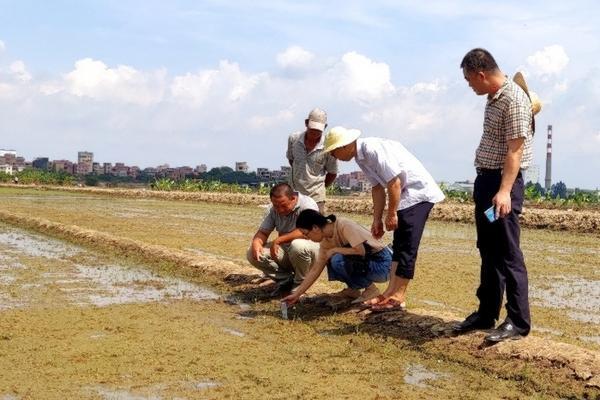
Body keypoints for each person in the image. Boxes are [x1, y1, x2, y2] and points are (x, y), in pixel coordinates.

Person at [453, 48, 539, 342]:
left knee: (508, 252)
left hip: (503, 185)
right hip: (486, 182)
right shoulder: (493, 98)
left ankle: (518, 320)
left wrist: (504, 192)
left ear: (481, 74)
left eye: (469, 80)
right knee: (488, 249)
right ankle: (487, 311)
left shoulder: (514, 100)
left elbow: (514, 150)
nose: (469, 86)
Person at [322, 127, 445, 311]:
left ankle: (399, 296)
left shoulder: (372, 149)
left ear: (346, 145)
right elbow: (377, 188)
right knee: (399, 245)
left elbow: (394, 182)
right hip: (404, 197)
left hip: (417, 194)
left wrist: (392, 213)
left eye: (334, 150)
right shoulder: (360, 157)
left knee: (407, 247)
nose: (333, 155)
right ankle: (390, 292)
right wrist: (377, 220)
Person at [282, 209, 392, 306]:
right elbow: (316, 269)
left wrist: (335, 250)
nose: (307, 238)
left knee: (337, 259)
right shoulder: (325, 242)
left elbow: (361, 251)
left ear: (315, 227)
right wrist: (296, 294)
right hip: (369, 263)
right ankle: (354, 289)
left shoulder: (344, 225)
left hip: (383, 264)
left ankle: (371, 290)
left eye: (306, 234)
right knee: (332, 258)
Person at [246, 182, 320, 296]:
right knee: (252, 253)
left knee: (298, 245)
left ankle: (300, 284)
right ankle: (285, 280)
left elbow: (306, 231)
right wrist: (256, 242)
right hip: (287, 249)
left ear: (293, 198)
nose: (280, 210)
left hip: (310, 250)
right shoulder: (272, 209)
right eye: (276, 206)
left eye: (284, 205)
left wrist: (279, 240)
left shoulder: (308, 205)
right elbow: (263, 233)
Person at [287, 108, 338, 213]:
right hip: (294, 195)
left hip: (316, 198)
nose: (315, 133)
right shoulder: (294, 139)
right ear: (306, 123)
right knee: (292, 227)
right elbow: (292, 161)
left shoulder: (329, 147)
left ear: (325, 127)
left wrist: (318, 188)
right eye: (312, 129)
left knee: (315, 228)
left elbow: (332, 173)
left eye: (318, 130)